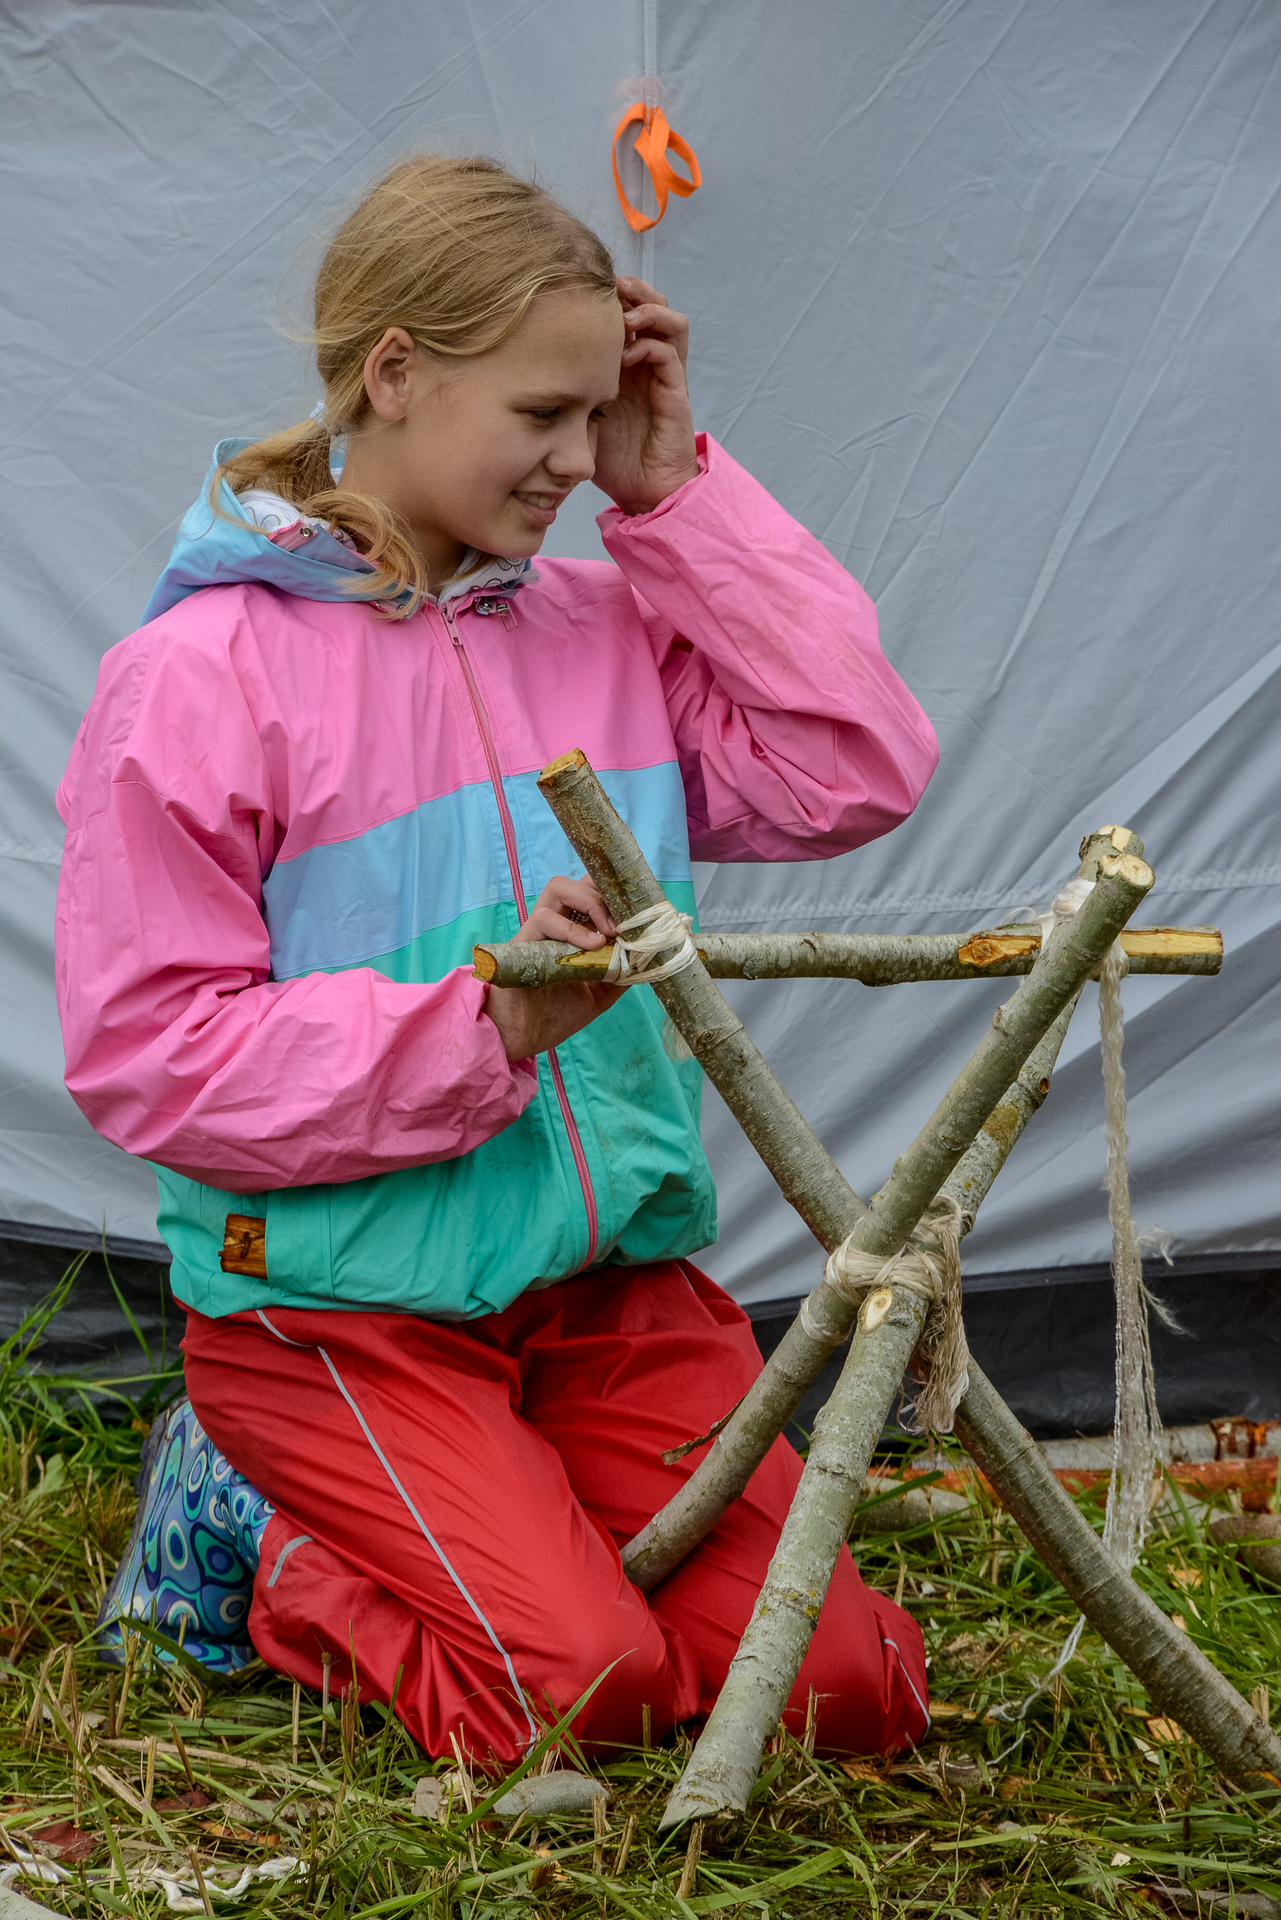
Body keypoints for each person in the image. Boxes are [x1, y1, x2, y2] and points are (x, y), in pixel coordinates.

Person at [55, 154, 939, 1766]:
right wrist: (486, 1027)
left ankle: (528, 1532)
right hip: (337, 1314)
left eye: (597, 417)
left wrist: (674, 500)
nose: (574, 463)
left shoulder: (606, 628)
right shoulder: (198, 677)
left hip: (606, 1300)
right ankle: (269, 1536)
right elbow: (150, 1058)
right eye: (543, 415)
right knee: (588, 1693)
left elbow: (849, 767)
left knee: (838, 1696)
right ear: (395, 371)